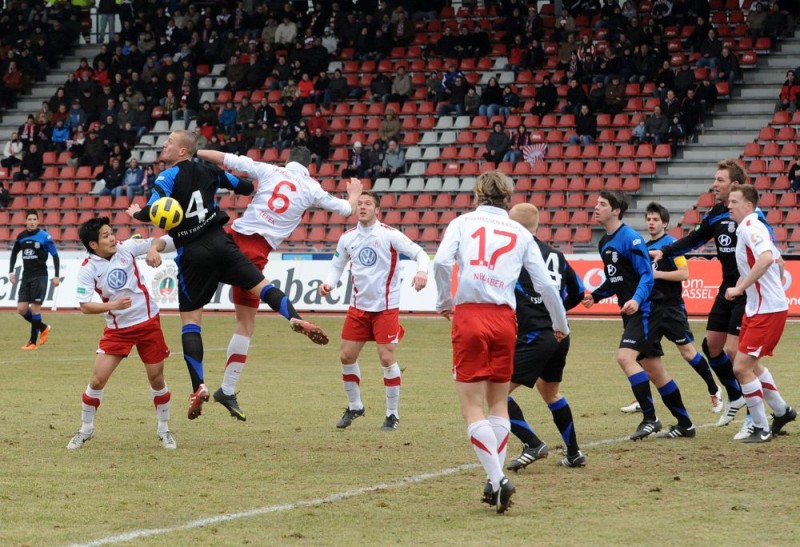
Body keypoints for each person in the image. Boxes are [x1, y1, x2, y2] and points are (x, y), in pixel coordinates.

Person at [128, 131, 330, 420]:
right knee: (262, 286)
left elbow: (153, 211)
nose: (164, 144)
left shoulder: (166, 177)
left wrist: (137, 213)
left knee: (191, 322)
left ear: (183, 151)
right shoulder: (208, 170)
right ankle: (294, 316)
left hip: (192, 253)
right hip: (222, 242)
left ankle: (198, 386)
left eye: (170, 142)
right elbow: (245, 186)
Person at [432, 171, 570, 514]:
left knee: (472, 407)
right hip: (505, 320)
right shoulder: (520, 232)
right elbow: (546, 285)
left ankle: (498, 479)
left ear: (477, 194)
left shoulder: (462, 223)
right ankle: (494, 484)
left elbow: (442, 262)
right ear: (508, 198)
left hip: (471, 314)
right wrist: (560, 323)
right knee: (498, 403)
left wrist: (444, 301)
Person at [194, 146, 361, 421]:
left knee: (193, 304)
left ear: (287, 160)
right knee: (246, 323)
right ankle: (228, 387)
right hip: (255, 254)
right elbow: (345, 210)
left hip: (229, 239)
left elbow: (226, 159)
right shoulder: (311, 187)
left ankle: (207, 385)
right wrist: (353, 194)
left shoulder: (269, 170)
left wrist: (196, 150)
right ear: (309, 166)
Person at [650, 159, 765, 436]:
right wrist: (665, 251)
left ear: (735, 184)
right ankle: (735, 397)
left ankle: (755, 416)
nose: (714, 185)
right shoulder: (715, 213)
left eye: (719, 180)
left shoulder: (751, 216)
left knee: (735, 353)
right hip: (727, 287)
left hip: (748, 288)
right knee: (711, 346)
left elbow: (766, 248)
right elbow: (694, 240)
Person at [582, 191, 696, 440]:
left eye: (602, 204)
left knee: (625, 358)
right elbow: (616, 279)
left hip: (645, 309)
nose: (596, 207)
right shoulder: (604, 242)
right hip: (633, 310)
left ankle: (650, 418)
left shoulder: (630, 239)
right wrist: (596, 296)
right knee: (655, 371)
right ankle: (686, 425)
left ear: (616, 211)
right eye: (597, 203)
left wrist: (636, 299)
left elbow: (646, 275)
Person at [319, 192, 428, 431]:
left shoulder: (389, 235)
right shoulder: (347, 238)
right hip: (358, 307)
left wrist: (422, 271)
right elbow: (337, 266)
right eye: (359, 203)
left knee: (387, 358)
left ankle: (392, 414)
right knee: (346, 356)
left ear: (377, 209)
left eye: (368, 204)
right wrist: (329, 284)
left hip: (385, 307)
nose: (362, 207)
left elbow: (420, 253)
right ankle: (355, 406)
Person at [67, 217, 175, 450]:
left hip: (148, 323)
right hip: (118, 331)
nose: (112, 238)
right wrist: (112, 306)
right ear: (93, 244)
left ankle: (164, 429)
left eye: (111, 233)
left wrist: (154, 249)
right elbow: (85, 306)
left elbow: (162, 241)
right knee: (97, 380)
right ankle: (86, 429)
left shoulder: (127, 248)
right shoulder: (88, 269)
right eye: (105, 236)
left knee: (157, 379)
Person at [504, 204, 587, 471]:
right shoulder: (556, 255)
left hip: (535, 335)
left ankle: (532, 443)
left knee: (496, 393)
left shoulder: (513, 254)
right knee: (550, 392)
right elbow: (579, 291)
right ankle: (574, 453)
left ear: (514, 225)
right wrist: (557, 312)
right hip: (560, 334)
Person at [621, 203, 722, 413]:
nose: (651, 223)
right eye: (649, 219)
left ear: (665, 223)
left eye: (656, 220)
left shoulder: (672, 245)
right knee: (644, 356)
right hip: (651, 309)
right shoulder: (645, 247)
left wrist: (657, 275)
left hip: (671, 308)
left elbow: (685, 274)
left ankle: (714, 389)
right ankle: (642, 401)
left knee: (687, 353)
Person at [724, 184, 796, 442]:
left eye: (734, 201)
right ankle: (782, 411)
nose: (729, 206)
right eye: (729, 201)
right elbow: (778, 262)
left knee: (741, 367)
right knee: (747, 363)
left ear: (748, 205)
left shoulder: (751, 227)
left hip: (767, 310)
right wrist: (756, 286)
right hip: (759, 307)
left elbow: (766, 259)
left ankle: (761, 428)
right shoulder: (752, 226)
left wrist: (740, 287)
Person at [9, 210, 60, 350]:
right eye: (29, 219)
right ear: (26, 221)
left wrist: (56, 275)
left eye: (34, 219)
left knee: (35, 309)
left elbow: (55, 255)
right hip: (26, 276)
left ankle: (32, 343)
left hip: (40, 276)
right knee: (21, 309)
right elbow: (14, 253)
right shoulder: (21, 237)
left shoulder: (45, 237)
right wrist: (11, 272)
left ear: (38, 221)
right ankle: (43, 327)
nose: (32, 222)